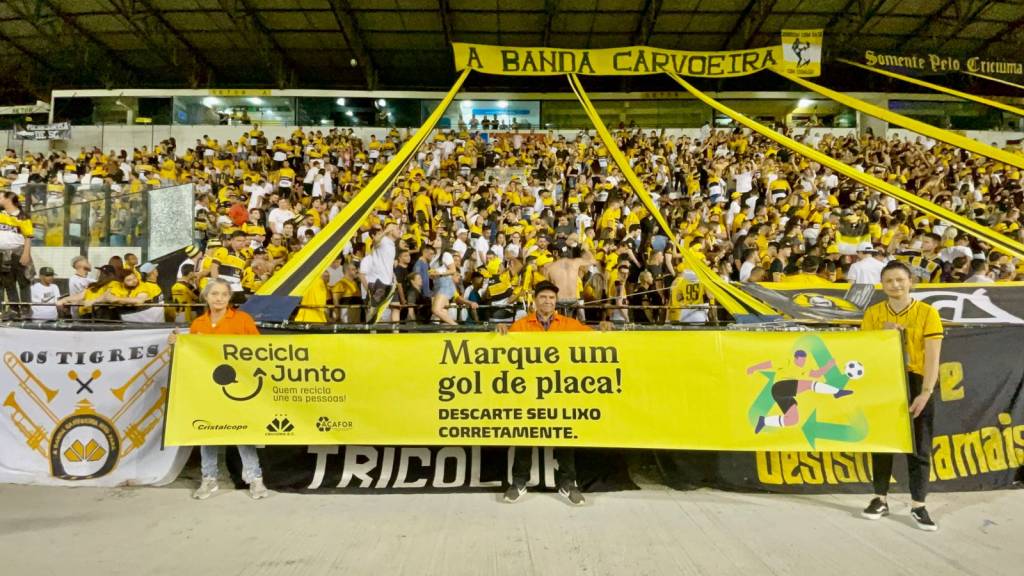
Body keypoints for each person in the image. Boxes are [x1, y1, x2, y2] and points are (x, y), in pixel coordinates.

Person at [496, 280, 611, 506]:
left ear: (556, 302)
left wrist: (603, 328)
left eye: (551, 298)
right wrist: (501, 331)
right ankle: (519, 482)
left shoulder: (569, 323)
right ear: (535, 301)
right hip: (529, 389)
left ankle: (568, 483)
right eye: (543, 297)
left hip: (560, 390)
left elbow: (592, 338)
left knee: (565, 435)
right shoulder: (521, 325)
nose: (547, 301)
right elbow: (504, 347)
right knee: (524, 435)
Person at [168, 278, 268, 500]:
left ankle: (255, 479)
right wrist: (178, 344)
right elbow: (192, 356)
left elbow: (259, 351)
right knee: (207, 432)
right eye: (214, 294)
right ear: (206, 297)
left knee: (243, 432)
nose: (219, 298)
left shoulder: (243, 320)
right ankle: (209, 479)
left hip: (239, 388)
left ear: (230, 298)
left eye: (223, 294)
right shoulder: (198, 325)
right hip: (208, 389)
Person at [860, 261, 942, 531]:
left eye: (899, 280)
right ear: (882, 285)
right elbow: (866, 353)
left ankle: (918, 504)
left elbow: (932, 357)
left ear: (910, 282)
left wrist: (926, 392)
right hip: (884, 382)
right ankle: (879, 498)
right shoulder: (873, 314)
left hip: (917, 382)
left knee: (919, 447)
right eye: (889, 281)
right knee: (882, 443)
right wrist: (884, 338)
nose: (895, 285)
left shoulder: (927, 313)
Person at [0, 190, 33, 320]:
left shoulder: (23, 216)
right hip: (3, 254)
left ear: (8, 199)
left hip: (18, 251)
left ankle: (26, 309)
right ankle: (14, 309)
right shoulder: (1, 214)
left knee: (23, 281)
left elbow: (28, 237)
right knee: (9, 282)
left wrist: (26, 254)